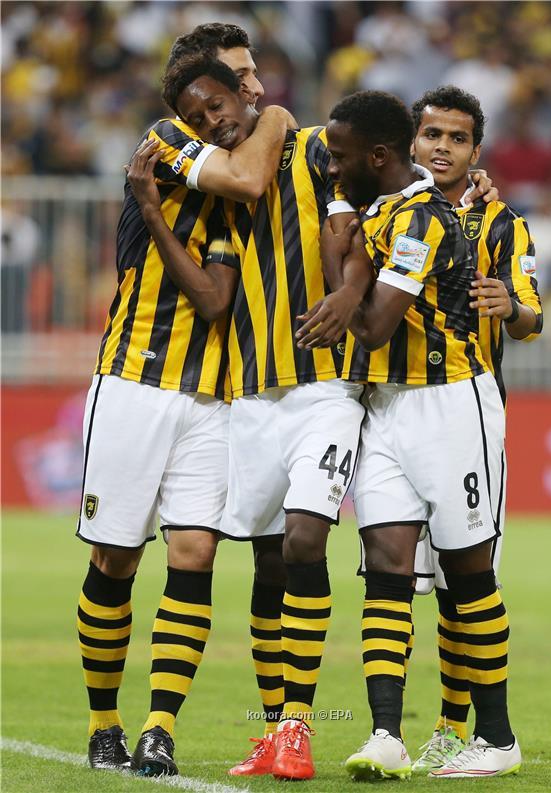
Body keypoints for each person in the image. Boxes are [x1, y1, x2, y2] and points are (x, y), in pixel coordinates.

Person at [133, 52, 371, 782]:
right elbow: (216, 295)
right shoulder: (224, 193)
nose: (213, 121)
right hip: (251, 394)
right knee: (269, 563)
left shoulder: (316, 149)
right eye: (197, 117)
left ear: (247, 92)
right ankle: (274, 731)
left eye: (219, 106)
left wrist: (350, 290)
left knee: (304, 539)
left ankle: (298, 726)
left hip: (327, 385)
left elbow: (373, 220)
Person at [76, 33, 293, 776]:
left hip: (211, 393)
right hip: (135, 377)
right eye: (242, 75)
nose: (253, 89)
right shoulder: (168, 138)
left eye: (253, 79)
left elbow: (216, 297)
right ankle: (103, 724)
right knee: (115, 556)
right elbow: (247, 178)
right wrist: (279, 118)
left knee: (194, 555)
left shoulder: (232, 177)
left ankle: (158, 728)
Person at [298, 89, 520, 780]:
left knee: (469, 573)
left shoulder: (423, 217)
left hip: (451, 404)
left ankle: (497, 736)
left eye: (341, 158)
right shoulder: (381, 208)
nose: (333, 169)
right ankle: (386, 734)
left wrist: (343, 272)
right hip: (385, 405)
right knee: (386, 567)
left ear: (377, 156)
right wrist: (345, 256)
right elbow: (352, 285)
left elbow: (371, 326)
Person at [406, 85, 542, 775]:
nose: (443, 147)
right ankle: (441, 729)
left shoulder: (504, 224)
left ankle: (465, 729)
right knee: (418, 582)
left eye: (457, 138)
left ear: (476, 151)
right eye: (433, 134)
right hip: (399, 411)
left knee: (469, 577)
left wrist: (509, 304)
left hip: (470, 408)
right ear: (412, 140)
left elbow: (532, 318)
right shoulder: (390, 210)